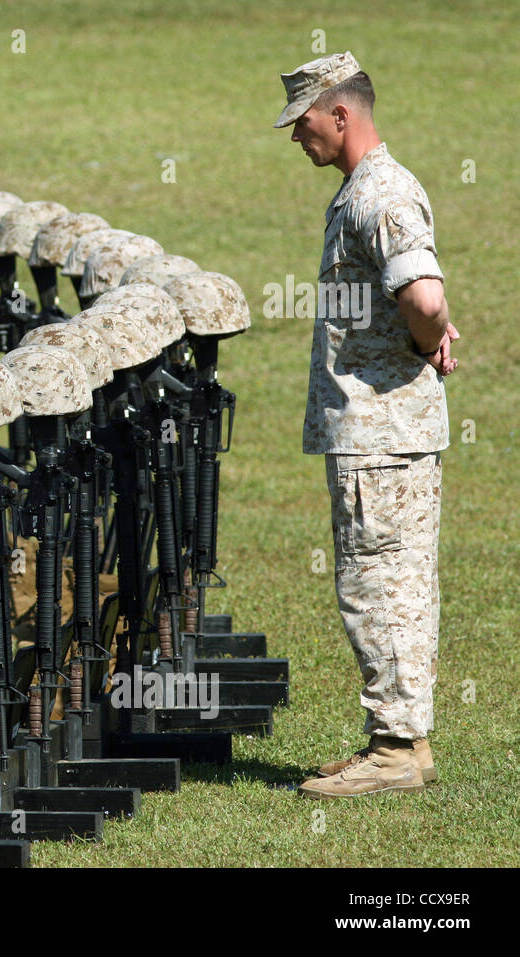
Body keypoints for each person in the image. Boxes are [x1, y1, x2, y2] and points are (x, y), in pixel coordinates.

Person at [274, 51, 458, 798]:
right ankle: (404, 742)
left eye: (304, 121)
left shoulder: (377, 196)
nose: (296, 137)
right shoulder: (375, 187)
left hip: (380, 436)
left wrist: (429, 330)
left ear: (340, 114)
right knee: (400, 582)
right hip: (390, 434)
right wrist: (429, 329)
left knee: (377, 583)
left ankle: (391, 751)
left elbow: (422, 294)